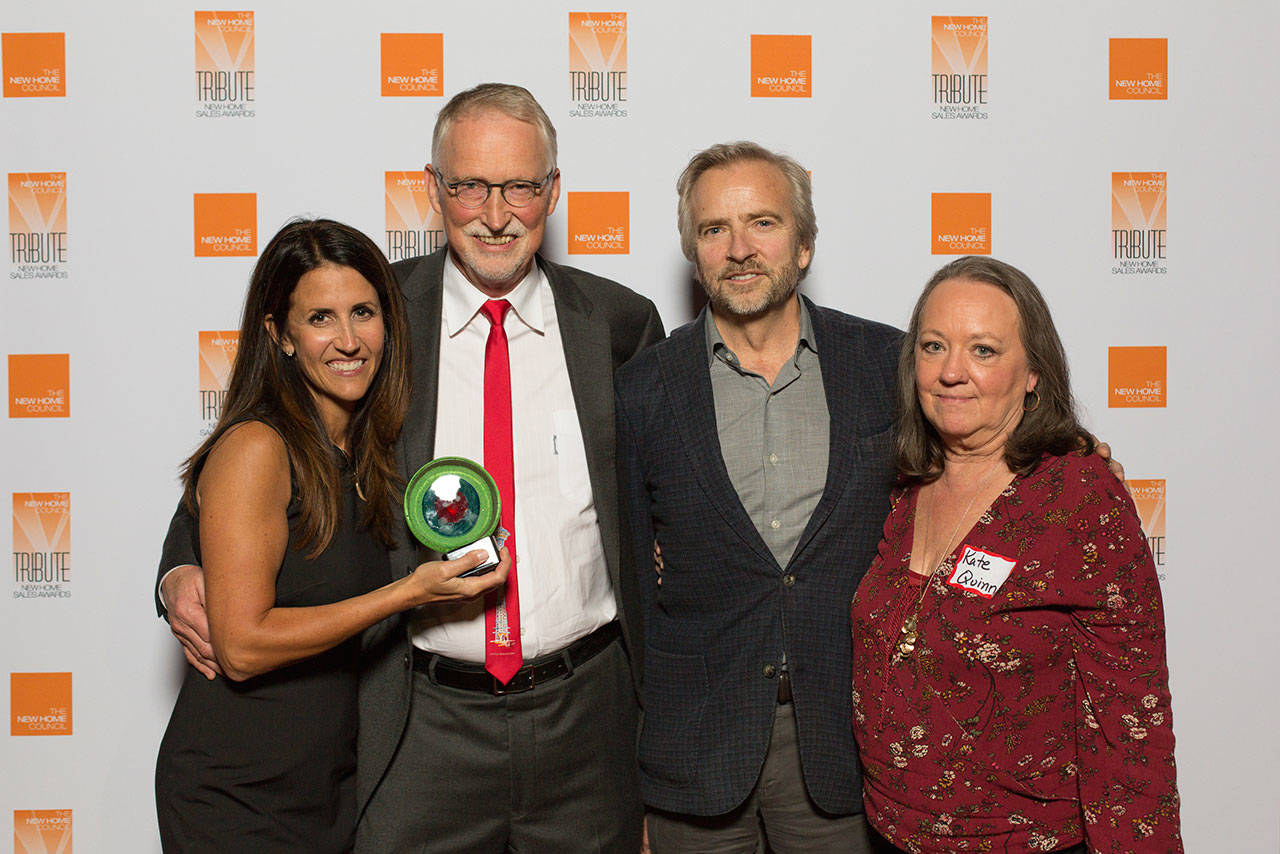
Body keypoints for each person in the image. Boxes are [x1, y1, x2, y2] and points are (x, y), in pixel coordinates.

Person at [156, 84, 664, 852]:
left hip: (585, 719)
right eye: (468, 186)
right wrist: (180, 565)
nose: (496, 214)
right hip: (419, 722)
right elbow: (262, 447)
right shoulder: (376, 312)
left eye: (521, 186)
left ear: (552, 193)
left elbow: (668, 488)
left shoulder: (621, 326)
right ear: (434, 189)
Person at [155, 218, 510, 852]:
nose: (348, 340)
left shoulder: (369, 444)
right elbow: (240, 646)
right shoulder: (258, 446)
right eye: (320, 318)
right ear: (279, 335)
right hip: (237, 792)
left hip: (331, 785)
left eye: (363, 313)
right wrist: (408, 594)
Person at [615, 142, 901, 852]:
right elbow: (627, 586)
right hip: (695, 751)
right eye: (715, 230)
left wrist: (1070, 452)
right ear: (695, 253)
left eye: (763, 224)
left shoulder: (887, 365)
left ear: (803, 245)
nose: (739, 248)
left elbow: (978, 458)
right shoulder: (642, 390)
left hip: (846, 744)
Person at [850, 256, 1181, 852]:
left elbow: (1132, 721)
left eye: (983, 350)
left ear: (1034, 374)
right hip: (887, 834)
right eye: (933, 346)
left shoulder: (1080, 496)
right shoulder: (907, 480)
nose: (953, 372)